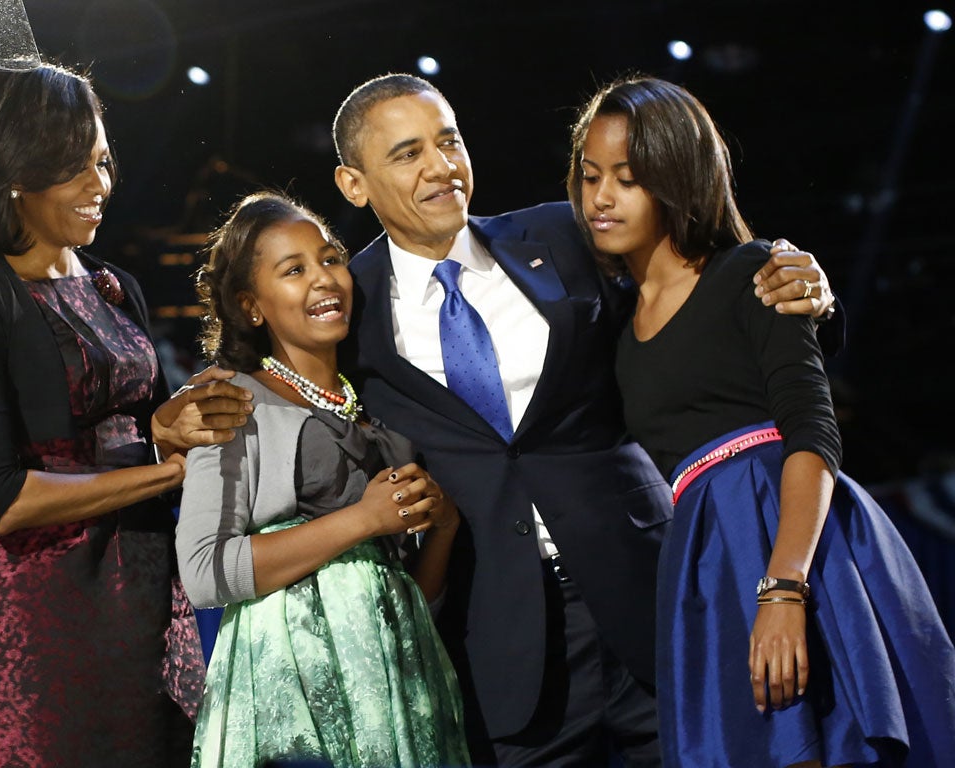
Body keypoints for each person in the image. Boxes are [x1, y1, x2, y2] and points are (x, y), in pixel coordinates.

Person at [330, 73, 840, 766]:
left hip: (660, 596)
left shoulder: (565, 233)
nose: (440, 168)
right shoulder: (343, 307)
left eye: (448, 142)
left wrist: (811, 295)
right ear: (354, 185)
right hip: (507, 643)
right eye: (407, 153)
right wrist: (178, 413)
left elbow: (703, 292)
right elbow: (269, 371)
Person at [567, 75, 955, 768]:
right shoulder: (617, 328)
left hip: (790, 539)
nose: (601, 197)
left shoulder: (755, 271)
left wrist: (784, 587)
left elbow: (814, 433)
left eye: (628, 177)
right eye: (591, 175)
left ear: (677, 176)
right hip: (704, 560)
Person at [0, 64, 254, 766]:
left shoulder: (114, 287)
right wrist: (164, 468)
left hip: (137, 594)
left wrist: (179, 424)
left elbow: (143, 427)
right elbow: (6, 498)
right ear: (15, 172)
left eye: (103, 163)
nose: (100, 187)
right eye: (74, 168)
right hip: (31, 612)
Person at [175, 190, 471, 768]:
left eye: (331, 258)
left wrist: (444, 527)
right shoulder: (232, 403)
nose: (324, 279)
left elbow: (410, 594)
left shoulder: (380, 412)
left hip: (398, 687)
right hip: (295, 700)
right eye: (294, 270)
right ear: (251, 305)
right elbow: (205, 573)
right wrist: (364, 518)